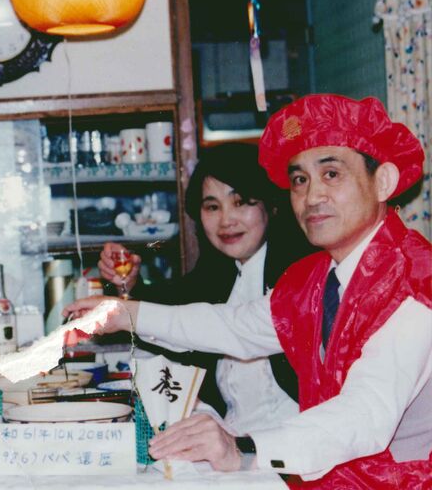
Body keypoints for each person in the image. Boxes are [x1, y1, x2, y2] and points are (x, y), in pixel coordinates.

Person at [65, 94, 431, 487]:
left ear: (383, 182)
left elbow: (364, 416)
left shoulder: (414, 282)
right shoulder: (316, 278)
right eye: (300, 180)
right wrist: (124, 313)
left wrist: (244, 449)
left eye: (331, 174)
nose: (311, 197)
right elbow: (236, 327)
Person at [97, 143, 313, 436]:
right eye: (212, 207)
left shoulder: (301, 271)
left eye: (240, 202)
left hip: (296, 449)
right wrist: (127, 283)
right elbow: (172, 311)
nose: (226, 220)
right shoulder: (220, 273)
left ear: (271, 205)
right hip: (233, 445)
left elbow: (229, 328)